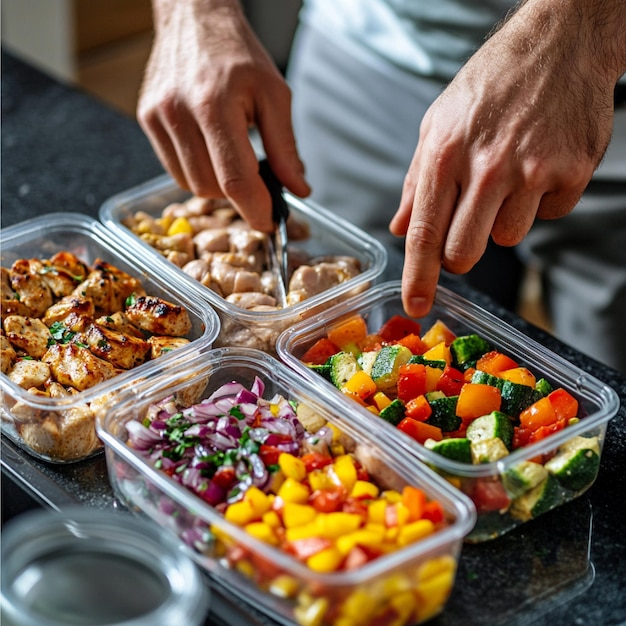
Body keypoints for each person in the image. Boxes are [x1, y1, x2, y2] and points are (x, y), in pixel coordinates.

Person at [137, 0, 626, 372]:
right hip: (364, 54)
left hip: (600, 78)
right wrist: (194, 12)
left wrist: (577, 33)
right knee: (341, 345)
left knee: (603, 374)